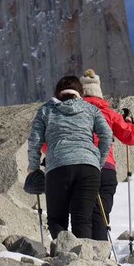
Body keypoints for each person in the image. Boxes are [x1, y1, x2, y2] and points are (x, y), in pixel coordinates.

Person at [27, 75, 112, 239]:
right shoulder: (91, 109)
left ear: (58, 92)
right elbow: (107, 134)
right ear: (80, 92)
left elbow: (35, 140)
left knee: (57, 219)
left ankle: (64, 256)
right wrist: (98, 162)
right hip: (89, 167)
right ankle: (83, 260)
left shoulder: (46, 110)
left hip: (58, 167)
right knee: (82, 219)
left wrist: (34, 168)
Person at [80, 68, 134, 241]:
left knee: (81, 213)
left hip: (82, 165)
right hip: (106, 167)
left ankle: (82, 252)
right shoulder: (109, 114)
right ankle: (101, 253)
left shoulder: (75, 112)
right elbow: (131, 138)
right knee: (101, 212)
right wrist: (129, 122)